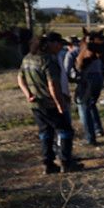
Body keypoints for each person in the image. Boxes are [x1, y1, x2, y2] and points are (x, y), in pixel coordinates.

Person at [17, 32, 83, 174]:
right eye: (58, 44)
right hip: (50, 104)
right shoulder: (48, 61)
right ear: (48, 45)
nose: (60, 47)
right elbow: (53, 85)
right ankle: (66, 163)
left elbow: (20, 78)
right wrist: (59, 104)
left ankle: (48, 164)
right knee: (65, 131)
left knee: (45, 132)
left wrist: (28, 95)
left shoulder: (27, 59)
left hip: (36, 104)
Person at [64, 35, 104, 145]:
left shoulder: (72, 53)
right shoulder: (91, 51)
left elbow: (66, 70)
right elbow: (103, 67)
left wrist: (73, 79)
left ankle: (90, 137)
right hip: (98, 78)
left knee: (83, 107)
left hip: (86, 80)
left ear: (69, 45)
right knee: (92, 104)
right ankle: (98, 128)